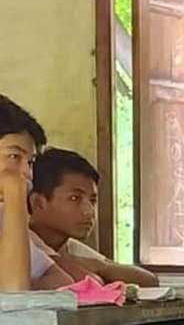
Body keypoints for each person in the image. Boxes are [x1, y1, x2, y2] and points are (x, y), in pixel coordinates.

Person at [30, 147, 158, 287]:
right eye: (74, 198)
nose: (89, 211)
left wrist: (99, 265)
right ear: (38, 202)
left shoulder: (67, 246)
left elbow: (149, 280)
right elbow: (90, 281)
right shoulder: (24, 242)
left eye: (92, 200)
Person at [0, 95, 73, 290]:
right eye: (14, 156)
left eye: (30, 162)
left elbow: (61, 279)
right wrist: (15, 199)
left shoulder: (3, 215)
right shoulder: (12, 208)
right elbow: (14, 295)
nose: (26, 173)